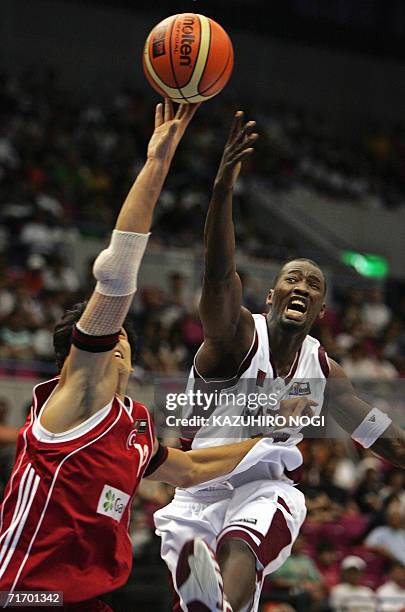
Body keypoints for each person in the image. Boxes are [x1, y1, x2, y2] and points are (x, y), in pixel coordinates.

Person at [0, 100, 265, 611]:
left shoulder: (134, 425)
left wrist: (265, 439)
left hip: (91, 596)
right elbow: (117, 274)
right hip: (28, 594)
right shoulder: (74, 398)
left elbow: (188, 469)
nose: (118, 331)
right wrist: (157, 164)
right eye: (108, 327)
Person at [154, 110, 405, 612]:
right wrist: (223, 191)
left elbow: (380, 434)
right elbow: (219, 274)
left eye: (314, 284)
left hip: (263, 486)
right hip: (196, 488)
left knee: (258, 522)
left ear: (320, 309)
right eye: (293, 278)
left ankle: (219, 603)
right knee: (201, 589)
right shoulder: (236, 335)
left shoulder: (323, 370)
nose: (302, 287)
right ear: (270, 295)